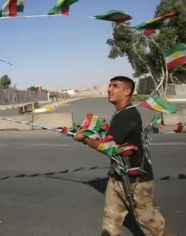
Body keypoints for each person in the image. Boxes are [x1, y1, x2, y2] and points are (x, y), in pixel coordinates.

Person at [73, 76, 173, 236]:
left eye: (115, 86)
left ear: (127, 91)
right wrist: (96, 129)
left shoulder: (126, 116)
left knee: (154, 229)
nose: (109, 89)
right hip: (118, 177)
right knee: (110, 223)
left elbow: (107, 147)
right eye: (109, 85)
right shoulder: (122, 115)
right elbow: (113, 135)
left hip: (137, 181)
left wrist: (84, 139)